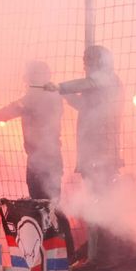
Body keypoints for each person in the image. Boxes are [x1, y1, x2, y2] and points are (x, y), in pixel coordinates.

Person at [0, 61, 63, 201]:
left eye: (29, 76)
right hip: (45, 159)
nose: (25, 80)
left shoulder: (35, 97)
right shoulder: (52, 95)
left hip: (43, 161)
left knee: (43, 204)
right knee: (49, 204)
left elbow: (4, 113)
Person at [44, 45, 123, 195]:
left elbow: (88, 83)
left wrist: (60, 87)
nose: (85, 67)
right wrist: (63, 93)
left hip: (102, 153)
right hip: (92, 153)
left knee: (102, 197)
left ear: (98, 62)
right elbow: (83, 105)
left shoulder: (107, 79)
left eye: (87, 62)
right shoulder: (101, 86)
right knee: (95, 197)